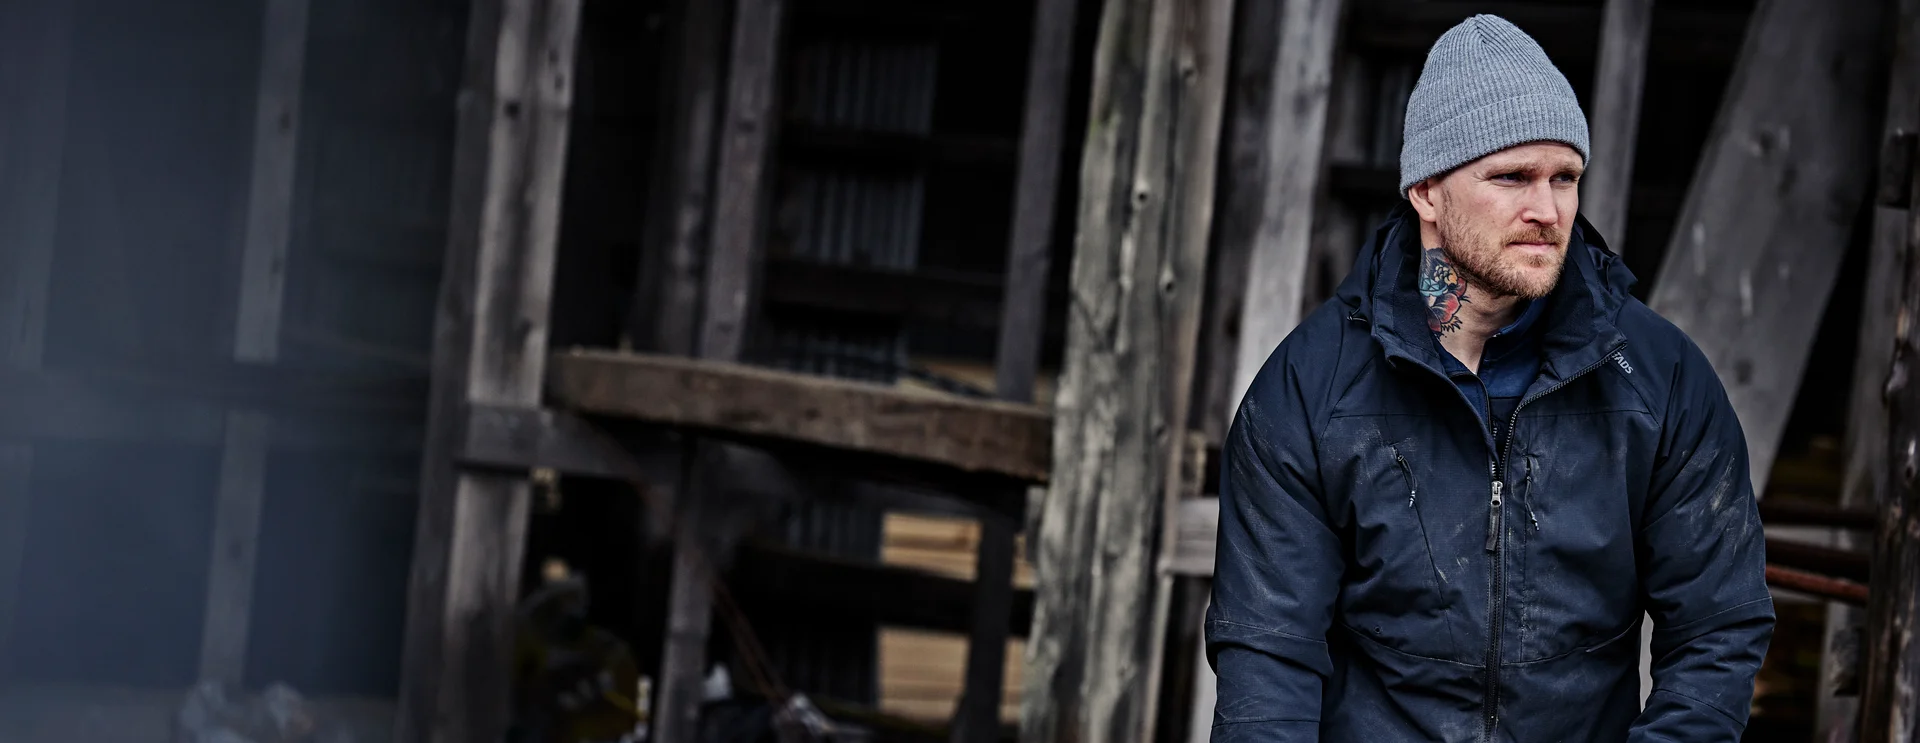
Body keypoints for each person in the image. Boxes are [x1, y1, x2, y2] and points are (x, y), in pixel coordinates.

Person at [1205, 14, 1773, 743]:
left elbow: (1717, 628)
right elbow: (1267, 656)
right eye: (1511, 177)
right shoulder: (1312, 390)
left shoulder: (1659, 379)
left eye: (1565, 178)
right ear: (1426, 192)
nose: (1547, 211)